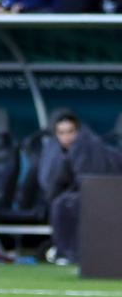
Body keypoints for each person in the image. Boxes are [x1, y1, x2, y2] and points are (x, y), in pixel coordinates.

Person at [40, 111, 122, 264]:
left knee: (65, 204)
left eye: (70, 131)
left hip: (110, 193)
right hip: (91, 194)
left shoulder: (88, 146)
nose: (66, 137)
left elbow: (92, 181)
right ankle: (67, 253)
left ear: (78, 131)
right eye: (62, 132)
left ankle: (70, 254)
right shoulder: (58, 151)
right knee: (63, 203)